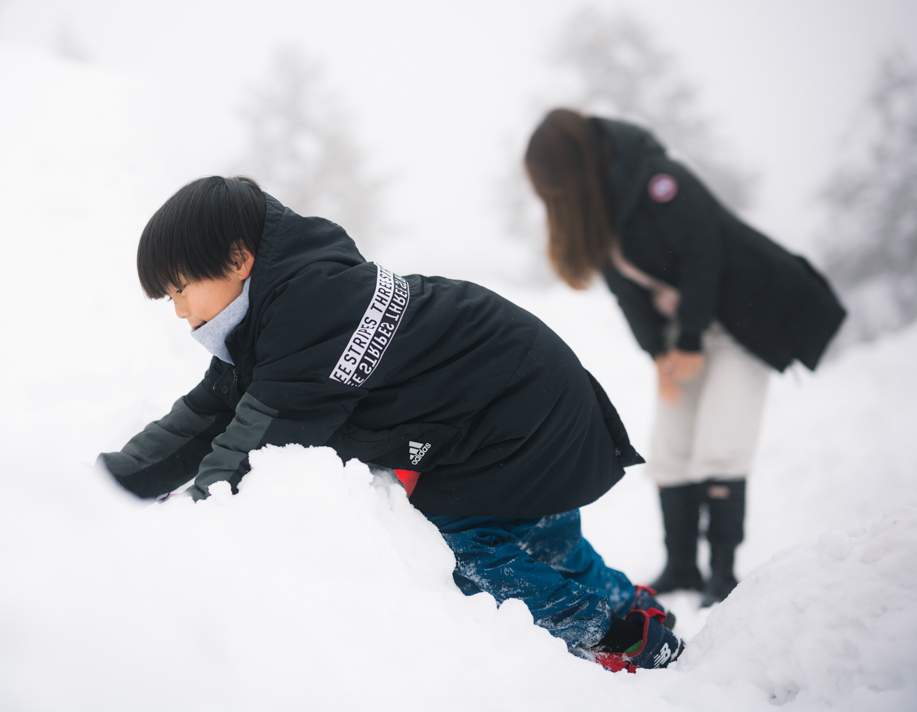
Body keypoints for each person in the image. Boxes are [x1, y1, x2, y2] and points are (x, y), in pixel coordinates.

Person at [98, 175, 683, 672]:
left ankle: (611, 636)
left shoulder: (310, 312)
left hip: (517, 414)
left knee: (462, 551)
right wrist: (104, 486)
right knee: (544, 534)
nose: (180, 311)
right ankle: (630, 607)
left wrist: (194, 523)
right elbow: (205, 417)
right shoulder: (282, 312)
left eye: (182, 289)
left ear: (237, 259)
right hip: (524, 397)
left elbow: (257, 438)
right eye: (169, 297)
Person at [524, 110, 846, 607]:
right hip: (681, 334)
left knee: (721, 444)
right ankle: (681, 566)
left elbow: (703, 254)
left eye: (558, 185)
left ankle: (722, 573)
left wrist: (691, 341)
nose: (558, 199)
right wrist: (659, 354)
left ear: (577, 164)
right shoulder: (600, 210)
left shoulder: (658, 180)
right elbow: (626, 293)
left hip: (740, 323)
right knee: (670, 449)